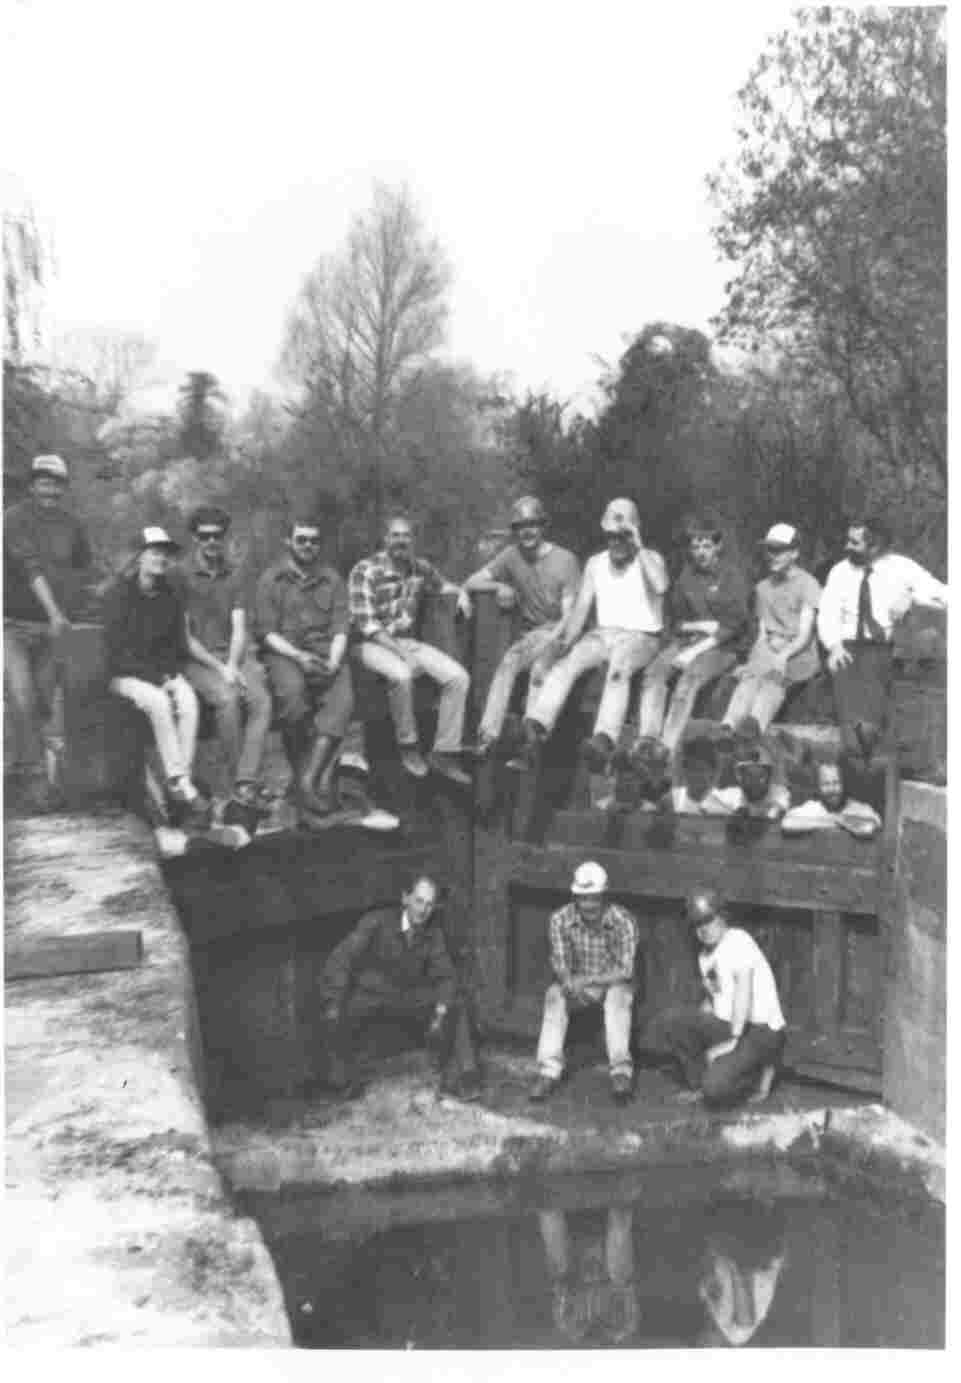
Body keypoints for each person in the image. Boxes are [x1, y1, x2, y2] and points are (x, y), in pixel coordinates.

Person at [519, 498, 669, 774]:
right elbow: (581, 610)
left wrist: (637, 542)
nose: (616, 543)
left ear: (634, 533)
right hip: (602, 635)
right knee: (567, 664)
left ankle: (604, 738)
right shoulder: (595, 564)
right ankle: (537, 724)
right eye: (611, 536)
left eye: (622, 536)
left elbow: (661, 586)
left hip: (641, 636)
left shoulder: (650, 559)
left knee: (619, 668)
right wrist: (563, 643)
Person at [317, 874, 483, 1102]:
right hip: (371, 995)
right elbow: (342, 959)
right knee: (339, 1010)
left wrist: (441, 1012)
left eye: (429, 904)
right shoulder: (376, 922)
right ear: (405, 898)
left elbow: (446, 977)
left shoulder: (432, 932)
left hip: (408, 996)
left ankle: (465, 1076)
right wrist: (333, 1000)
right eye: (418, 901)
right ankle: (342, 1079)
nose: (423, 910)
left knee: (457, 1002)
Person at [348, 514, 472, 786]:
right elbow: (367, 625)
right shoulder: (365, 570)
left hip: (405, 642)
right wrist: (403, 655)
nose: (401, 541)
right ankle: (409, 746)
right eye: (395, 535)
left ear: (412, 540)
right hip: (368, 644)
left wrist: (462, 593)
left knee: (458, 678)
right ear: (385, 539)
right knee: (402, 675)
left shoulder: (419, 568)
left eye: (406, 536)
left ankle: (444, 752)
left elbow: (443, 585)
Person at [102, 526, 207, 830]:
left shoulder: (169, 597)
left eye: (165, 554)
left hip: (160, 673)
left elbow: (176, 644)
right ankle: (181, 783)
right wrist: (155, 677)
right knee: (160, 702)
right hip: (123, 677)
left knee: (188, 699)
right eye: (155, 552)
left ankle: (179, 782)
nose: (161, 559)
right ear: (140, 557)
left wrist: (170, 674)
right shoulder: (118, 596)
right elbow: (115, 653)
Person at [3, 453, 92, 810]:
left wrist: (80, 603)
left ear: (63, 487)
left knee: (40, 704)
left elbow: (84, 567)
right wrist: (56, 611)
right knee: (22, 698)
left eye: (55, 483)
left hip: (53, 630)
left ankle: (19, 773)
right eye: (43, 482)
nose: (49, 490)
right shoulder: (13, 518)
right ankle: (34, 782)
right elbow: (29, 567)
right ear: (32, 484)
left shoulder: (72, 524)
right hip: (13, 625)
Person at [254, 517, 356, 829]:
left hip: (326, 652)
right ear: (289, 542)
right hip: (285, 652)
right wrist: (298, 657)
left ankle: (307, 782)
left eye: (313, 540)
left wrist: (335, 661)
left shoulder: (332, 579)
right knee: (293, 695)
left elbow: (341, 626)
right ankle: (308, 785)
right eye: (302, 540)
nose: (308, 546)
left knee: (342, 698)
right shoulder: (272, 579)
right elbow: (267, 633)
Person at [818, 516, 947, 760]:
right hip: (848, 649)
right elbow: (827, 614)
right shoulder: (840, 572)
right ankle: (861, 752)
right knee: (856, 733)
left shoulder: (902, 568)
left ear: (875, 546)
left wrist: (911, 599)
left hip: (886, 648)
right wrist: (833, 646)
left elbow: (944, 596)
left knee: (881, 716)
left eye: (854, 542)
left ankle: (883, 756)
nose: (846, 547)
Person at [177, 506, 273, 827]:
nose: (212, 542)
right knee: (228, 699)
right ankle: (235, 788)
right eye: (205, 536)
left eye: (218, 536)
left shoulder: (235, 574)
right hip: (197, 658)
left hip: (232, 656)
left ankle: (245, 781)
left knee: (261, 701)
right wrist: (221, 670)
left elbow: (239, 626)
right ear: (195, 539)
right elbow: (186, 638)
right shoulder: (181, 575)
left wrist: (232, 664)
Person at [463, 495, 580, 756]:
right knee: (508, 662)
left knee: (540, 668)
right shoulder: (511, 556)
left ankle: (530, 742)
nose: (527, 531)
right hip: (533, 635)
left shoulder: (566, 560)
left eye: (533, 524)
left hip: (563, 633)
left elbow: (570, 616)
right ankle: (487, 735)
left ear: (543, 527)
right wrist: (499, 585)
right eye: (520, 526)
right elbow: (472, 582)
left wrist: (553, 644)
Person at [634, 517, 750, 766]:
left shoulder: (732, 577)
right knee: (654, 672)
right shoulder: (686, 577)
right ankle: (647, 738)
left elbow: (733, 626)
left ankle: (666, 747)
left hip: (722, 648)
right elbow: (676, 622)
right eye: (695, 547)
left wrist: (696, 649)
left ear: (717, 547)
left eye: (706, 546)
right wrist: (701, 626)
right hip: (689, 640)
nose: (700, 553)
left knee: (689, 680)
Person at [657, 890, 786, 1108]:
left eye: (709, 920)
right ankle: (698, 1084)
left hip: (759, 1030)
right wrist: (697, 1024)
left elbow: (743, 992)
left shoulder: (738, 940)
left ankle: (754, 1074)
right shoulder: (705, 956)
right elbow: (716, 996)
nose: (703, 929)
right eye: (697, 924)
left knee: (715, 1088)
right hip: (730, 1024)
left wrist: (732, 1042)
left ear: (722, 917)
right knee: (673, 1020)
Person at [529, 860, 639, 1105]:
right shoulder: (560, 919)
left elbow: (626, 969)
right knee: (554, 995)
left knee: (618, 998)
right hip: (578, 984)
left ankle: (621, 1072)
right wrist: (568, 981)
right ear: (575, 897)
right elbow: (559, 960)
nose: (588, 904)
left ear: (604, 895)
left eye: (594, 898)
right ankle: (548, 1071)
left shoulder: (623, 920)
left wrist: (589, 980)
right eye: (582, 898)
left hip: (611, 983)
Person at [718, 523, 821, 745]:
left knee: (774, 679)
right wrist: (754, 662)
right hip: (769, 647)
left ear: (794, 553)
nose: (772, 556)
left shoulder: (808, 584)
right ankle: (727, 729)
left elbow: (805, 635)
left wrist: (783, 655)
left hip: (798, 652)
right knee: (750, 678)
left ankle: (753, 727)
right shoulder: (762, 588)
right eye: (769, 550)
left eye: (779, 550)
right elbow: (763, 634)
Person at [538, 1205, 638, 1345]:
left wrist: (567, 1291)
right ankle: (619, 1211)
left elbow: (559, 1293)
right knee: (619, 1275)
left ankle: (549, 1208)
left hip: (576, 1268)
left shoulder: (569, 1327)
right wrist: (613, 1287)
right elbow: (628, 1291)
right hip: (607, 1266)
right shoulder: (622, 1327)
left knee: (559, 1270)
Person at [781, 758, 882, 839]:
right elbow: (787, 823)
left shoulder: (858, 808)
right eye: (826, 784)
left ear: (843, 784)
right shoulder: (812, 807)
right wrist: (834, 819)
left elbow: (869, 827)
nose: (832, 789)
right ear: (818, 787)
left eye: (836, 782)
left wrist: (841, 819)